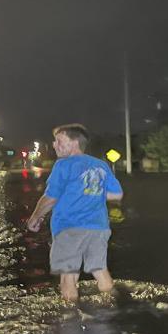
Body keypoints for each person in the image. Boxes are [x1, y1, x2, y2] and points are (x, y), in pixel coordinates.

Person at [27, 124, 123, 301]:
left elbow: (51, 197)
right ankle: (117, 308)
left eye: (59, 141)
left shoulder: (64, 164)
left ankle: (70, 321)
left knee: (68, 277)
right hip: (99, 227)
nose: (54, 145)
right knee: (100, 270)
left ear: (74, 143)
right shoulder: (100, 165)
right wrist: (89, 193)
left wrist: (35, 216)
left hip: (69, 228)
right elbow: (117, 194)